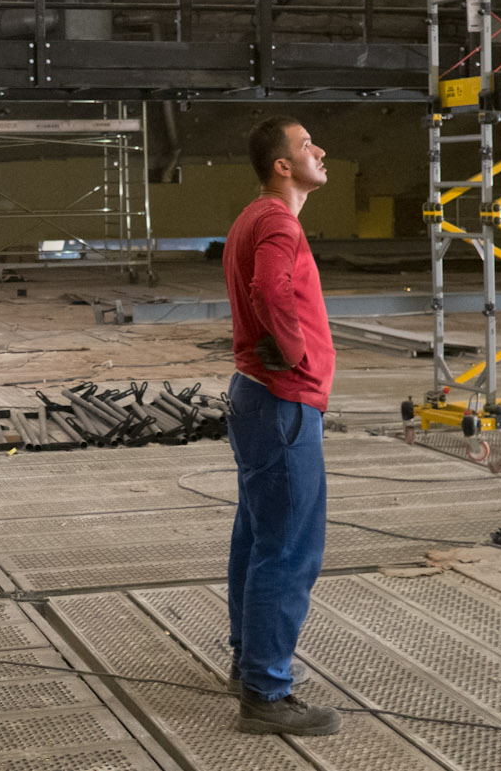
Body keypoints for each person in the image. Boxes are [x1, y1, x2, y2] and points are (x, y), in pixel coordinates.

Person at [221, 116, 340, 737]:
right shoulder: (276, 220)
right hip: (283, 402)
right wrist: (294, 350)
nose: (320, 150)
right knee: (290, 550)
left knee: (259, 537)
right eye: (305, 145)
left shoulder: (251, 217)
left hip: (257, 399)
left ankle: (249, 661)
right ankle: (267, 694)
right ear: (283, 166)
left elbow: (264, 287)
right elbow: (269, 285)